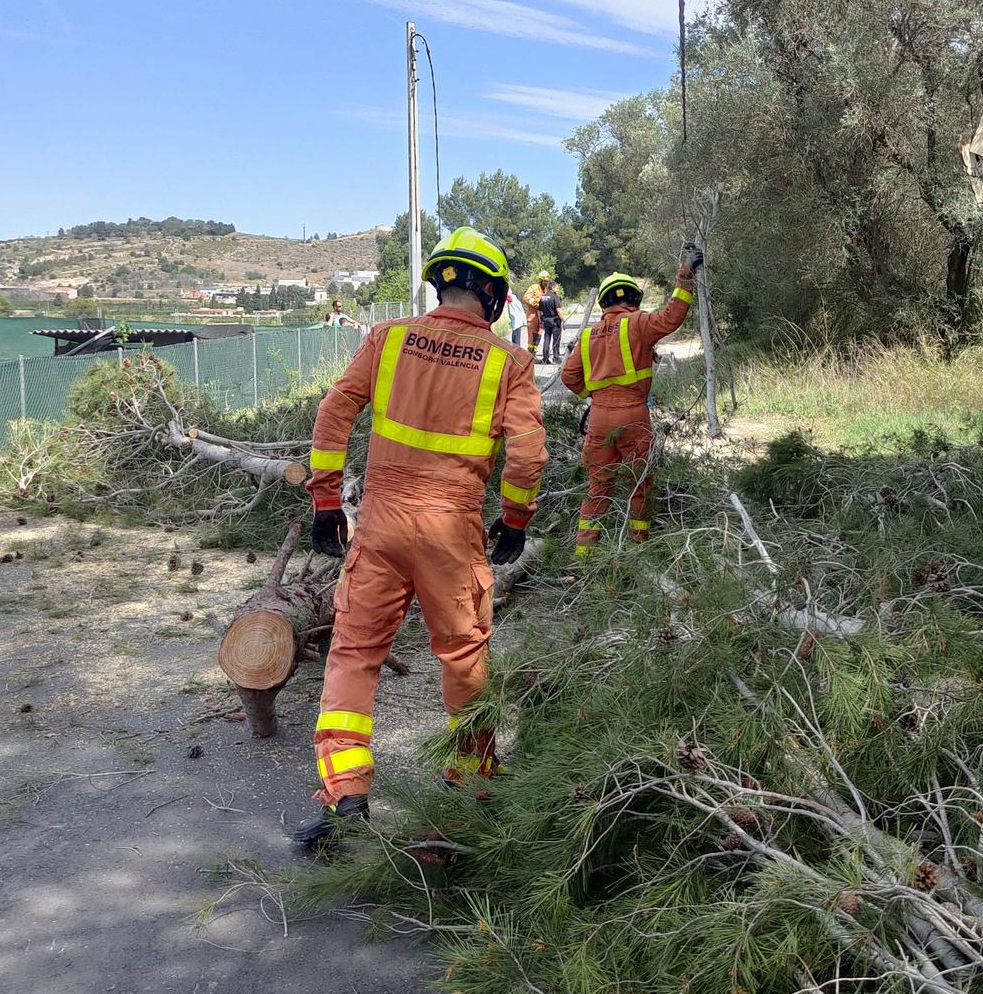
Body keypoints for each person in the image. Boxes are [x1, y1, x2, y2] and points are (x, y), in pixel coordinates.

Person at [292, 227, 546, 854]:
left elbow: (333, 412)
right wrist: (516, 518)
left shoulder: (388, 339)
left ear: (440, 283)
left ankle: (345, 795)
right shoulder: (507, 362)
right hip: (451, 532)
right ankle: (470, 782)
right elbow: (528, 453)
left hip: (380, 524)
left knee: (354, 653)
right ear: (493, 294)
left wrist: (327, 500)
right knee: (463, 655)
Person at [559, 252, 702, 555]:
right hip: (634, 417)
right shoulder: (638, 323)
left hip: (599, 419)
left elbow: (569, 376)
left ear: (604, 302)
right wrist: (685, 277)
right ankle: (639, 545)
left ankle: (585, 553)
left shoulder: (588, 335)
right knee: (639, 481)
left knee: (598, 485)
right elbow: (671, 317)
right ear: (634, 298)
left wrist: (594, 396)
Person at [521, 270, 551, 358]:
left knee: (539, 335)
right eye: (545, 281)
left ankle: (534, 354)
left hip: (541, 317)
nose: (546, 283)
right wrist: (536, 303)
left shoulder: (545, 290)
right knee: (532, 336)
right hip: (533, 316)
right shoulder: (533, 288)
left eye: (547, 282)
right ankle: (530, 355)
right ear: (540, 280)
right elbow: (526, 297)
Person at [538, 280, 564, 364]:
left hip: (546, 320)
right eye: (557, 288)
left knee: (547, 339)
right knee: (556, 339)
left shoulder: (543, 297)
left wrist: (541, 321)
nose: (558, 290)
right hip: (555, 321)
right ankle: (556, 358)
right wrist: (564, 320)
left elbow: (539, 311)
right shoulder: (555, 297)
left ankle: (545, 359)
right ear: (553, 288)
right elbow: (558, 310)